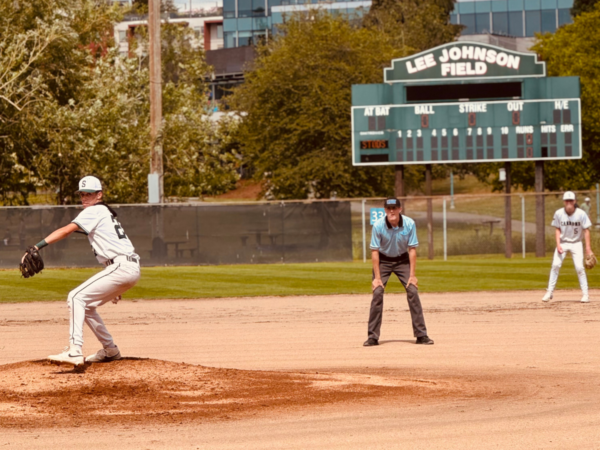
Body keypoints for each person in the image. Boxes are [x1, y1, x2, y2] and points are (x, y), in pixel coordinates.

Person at [23, 176, 141, 365]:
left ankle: (74, 350)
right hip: (126, 266)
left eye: (90, 194)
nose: (85, 198)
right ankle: (110, 349)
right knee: (85, 305)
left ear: (99, 195)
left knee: (75, 297)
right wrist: (115, 286)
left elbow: (66, 230)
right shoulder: (102, 212)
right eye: (82, 194)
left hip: (121, 266)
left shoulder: (94, 210)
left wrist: (37, 246)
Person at [364, 198, 433, 346]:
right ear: (385, 210)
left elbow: (412, 250)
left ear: (400, 209)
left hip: (402, 260)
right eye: (388, 208)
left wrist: (413, 276)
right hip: (383, 260)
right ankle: (372, 337)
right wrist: (377, 278)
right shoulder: (378, 226)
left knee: (413, 291)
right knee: (377, 293)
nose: (391, 211)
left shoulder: (409, 223)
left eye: (394, 208)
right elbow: (375, 251)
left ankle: (421, 335)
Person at [542, 191, 593, 303]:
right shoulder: (559, 213)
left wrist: (588, 248)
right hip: (563, 242)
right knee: (555, 265)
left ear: (574, 201)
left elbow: (586, 231)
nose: (569, 202)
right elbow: (557, 229)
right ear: (564, 202)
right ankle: (549, 292)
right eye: (567, 200)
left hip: (576, 243)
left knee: (579, 268)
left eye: (571, 200)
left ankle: (586, 295)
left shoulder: (581, 214)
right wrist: (558, 244)